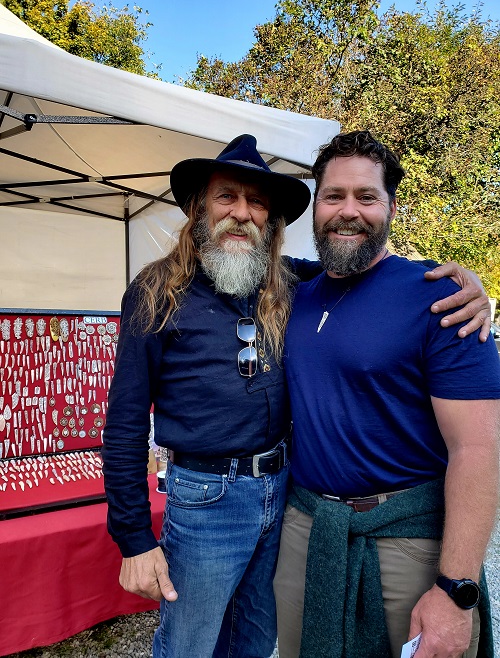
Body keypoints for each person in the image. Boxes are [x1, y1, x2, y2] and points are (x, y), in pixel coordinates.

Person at [102, 134, 491, 658]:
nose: (242, 213)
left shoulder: (285, 283)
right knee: (189, 645)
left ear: (273, 222)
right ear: (199, 207)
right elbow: (124, 422)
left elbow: (359, 269)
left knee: (256, 640)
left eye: (257, 202)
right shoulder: (156, 290)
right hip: (207, 500)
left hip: (282, 495)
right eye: (227, 197)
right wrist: (133, 537)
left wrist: (470, 284)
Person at [274, 130, 500, 658]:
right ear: (315, 207)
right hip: (306, 534)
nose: (348, 211)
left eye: (366, 197)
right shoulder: (294, 294)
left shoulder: (441, 297)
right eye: (334, 196)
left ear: (391, 207)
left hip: (408, 543)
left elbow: (480, 450)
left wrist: (455, 591)